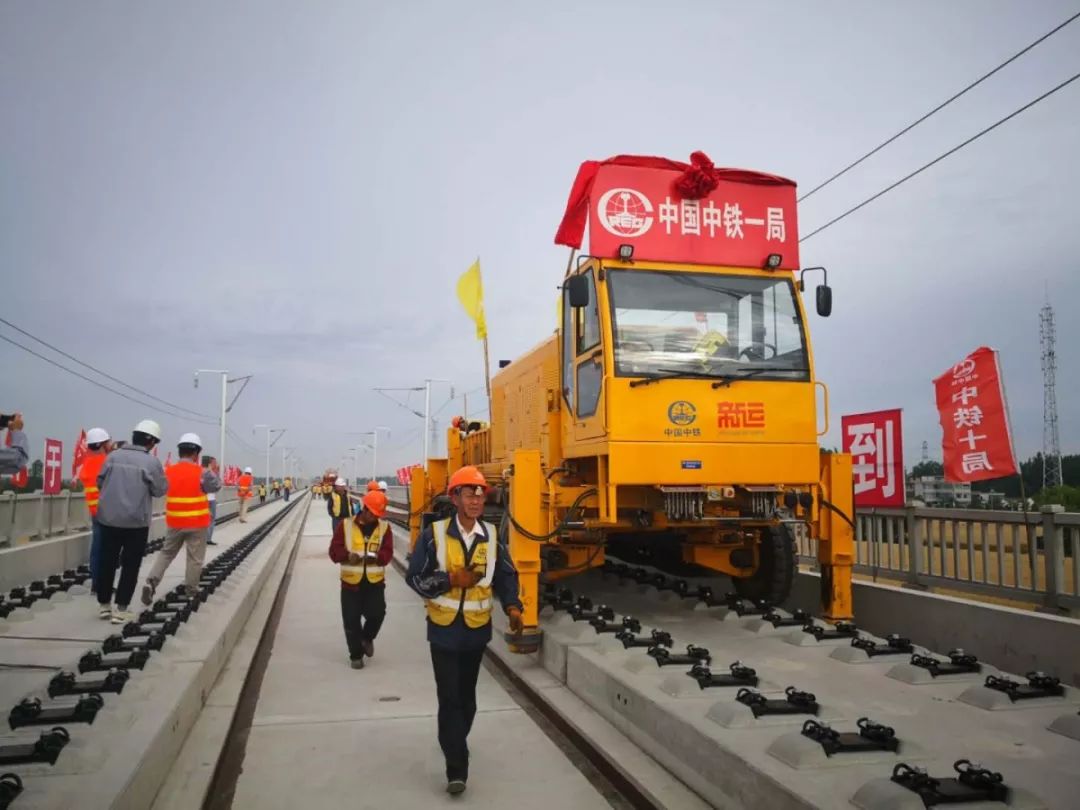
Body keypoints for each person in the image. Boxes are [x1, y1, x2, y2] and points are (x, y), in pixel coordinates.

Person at [405, 465, 523, 795]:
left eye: (480, 493)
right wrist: (448, 580)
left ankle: (453, 739)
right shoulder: (434, 535)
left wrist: (513, 607)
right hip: (443, 631)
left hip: (475, 632)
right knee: (450, 698)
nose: (475, 499)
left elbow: (506, 575)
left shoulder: (492, 536)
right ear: (454, 497)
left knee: (467, 701)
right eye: (468, 492)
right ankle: (457, 767)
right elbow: (414, 578)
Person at [95, 419, 168, 624]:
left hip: (108, 519)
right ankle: (121, 608)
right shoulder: (151, 462)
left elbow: (100, 481)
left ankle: (103, 605)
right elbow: (160, 490)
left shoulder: (113, 457)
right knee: (130, 565)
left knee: (106, 562)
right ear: (150, 441)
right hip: (136, 523)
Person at [141, 433, 220, 605]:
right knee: (194, 558)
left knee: (166, 553)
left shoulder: (168, 471)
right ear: (196, 453)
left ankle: (151, 582)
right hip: (197, 523)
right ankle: (191, 590)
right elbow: (216, 486)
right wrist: (210, 473)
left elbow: (159, 489)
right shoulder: (202, 472)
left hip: (175, 522)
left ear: (179, 451)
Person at [329, 490, 393, 669]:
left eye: (378, 514)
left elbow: (388, 553)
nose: (375, 518)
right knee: (351, 620)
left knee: (378, 614)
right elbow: (334, 551)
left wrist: (377, 558)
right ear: (364, 509)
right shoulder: (345, 525)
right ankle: (355, 655)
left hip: (374, 582)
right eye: (373, 513)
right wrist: (347, 556)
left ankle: (367, 638)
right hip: (351, 583)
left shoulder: (384, 528)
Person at [78, 428, 113, 592]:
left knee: (97, 547)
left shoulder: (86, 463)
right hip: (108, 512)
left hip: (94, 511)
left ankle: (96, 583)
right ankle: (102, 585)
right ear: (101, 444)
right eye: (108, 442)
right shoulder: (106, 462)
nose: (110, 444)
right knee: (107, 549)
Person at [202, 456, 220, 545]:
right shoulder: (211, 473)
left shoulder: (197, 471)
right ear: (209, 464)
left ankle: (201, 538)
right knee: (211, 519)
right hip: (210, 499)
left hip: (201, 499)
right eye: (214, 463)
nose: (215, 465)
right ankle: (207, 539)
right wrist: (217, 473)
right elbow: (217, 486)